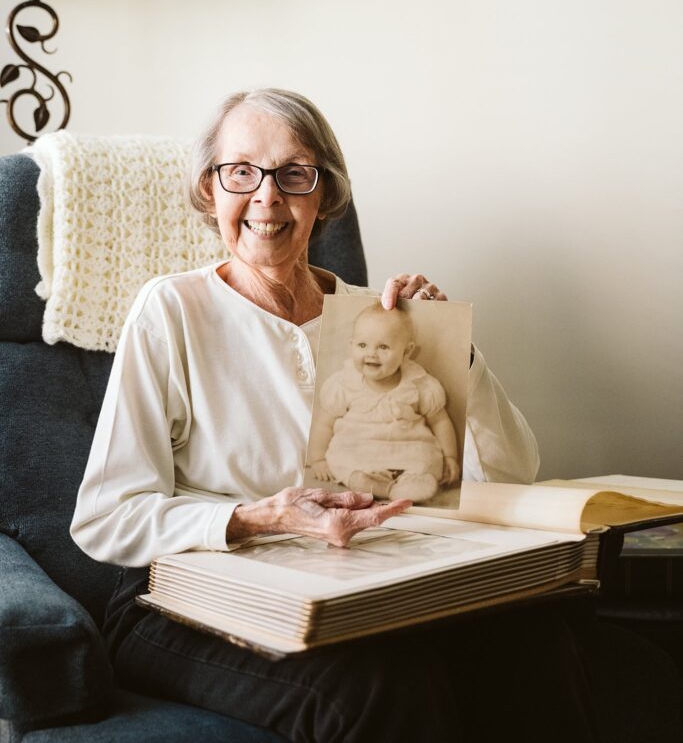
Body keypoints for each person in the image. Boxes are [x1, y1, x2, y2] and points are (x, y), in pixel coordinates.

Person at [69, 89, 679, 743]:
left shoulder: (375, 318)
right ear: (208, 191)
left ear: (324, 194)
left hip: (355, 587)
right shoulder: (171, 310)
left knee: (534, 641)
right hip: (189, 599)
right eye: (240, 172)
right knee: (381, 687)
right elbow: (105, 517)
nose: (266, 197)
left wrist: (453, 350)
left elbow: (508, 471)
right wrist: (258, 518)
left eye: (292, 174)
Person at [309, 302, 460, 502]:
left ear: (406, 352)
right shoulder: (344, 384)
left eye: (383, 347)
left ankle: (413, 482)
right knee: (343, 459)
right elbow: (324, 423)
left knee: (428, 459)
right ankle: (375, 484)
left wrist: (450, 456)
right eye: (362, 345)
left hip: (409, 447)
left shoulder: (418, 384)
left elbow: (440, 421)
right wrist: (318, 458)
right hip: (358, 447)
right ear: (351, 345)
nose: (371, 353)